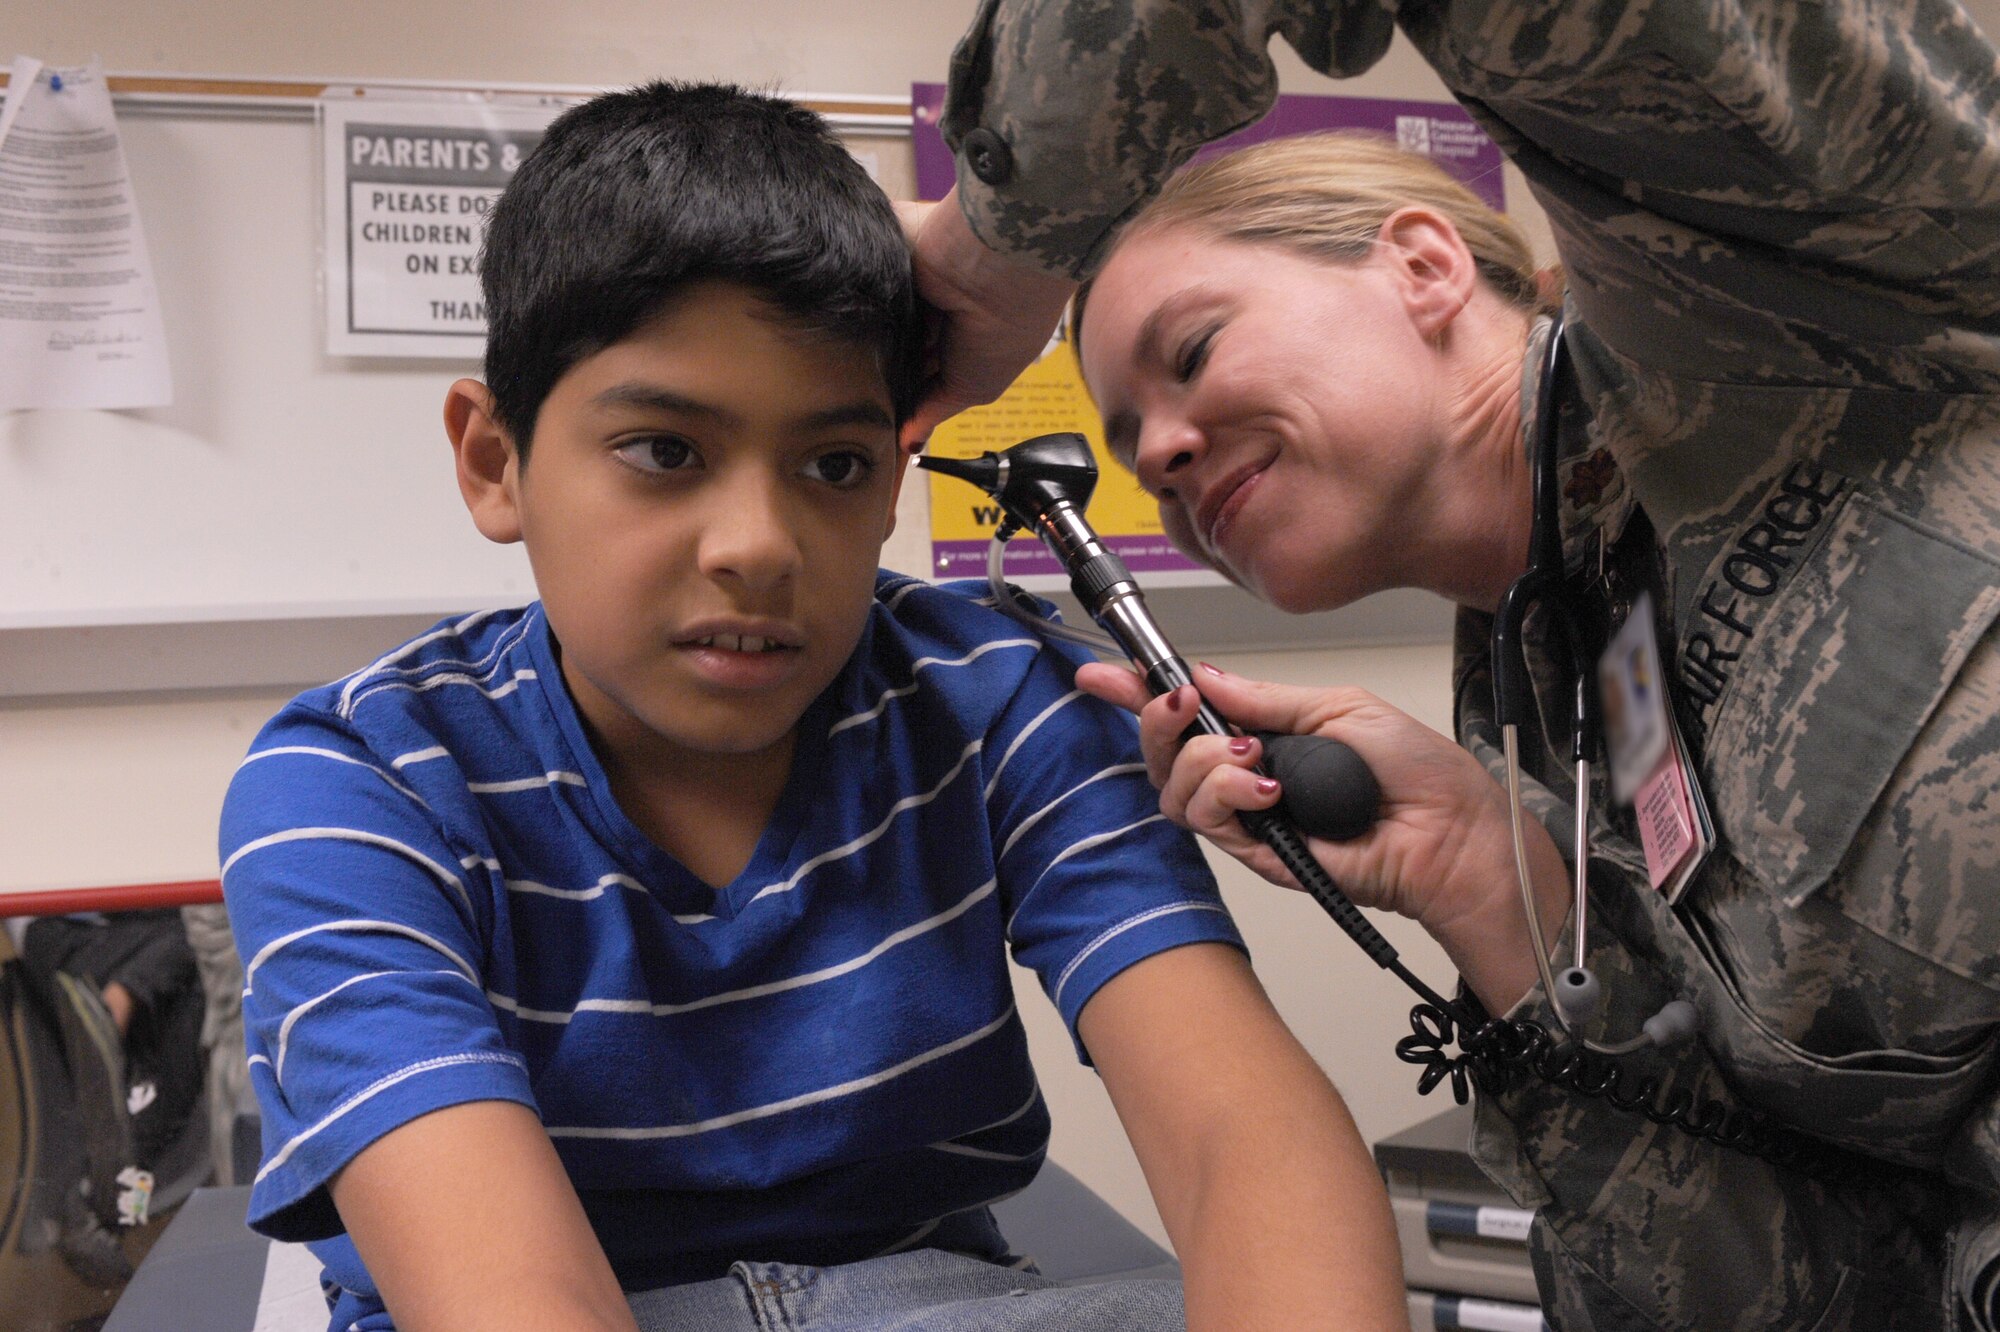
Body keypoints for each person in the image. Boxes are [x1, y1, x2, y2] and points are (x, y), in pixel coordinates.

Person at [218, 82, 1407, 1332]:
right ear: (493, 459)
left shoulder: (996, 698)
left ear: (894, 477)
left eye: (833, 466)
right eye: (664, 452)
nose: (756, 546)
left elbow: (1242, 1138)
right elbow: (510, 1302)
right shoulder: (357, 779)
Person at [899, 2, 2000, 1329]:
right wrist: (1488, 880)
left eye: (1192, 355)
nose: (1168, 458)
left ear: (1421, 266)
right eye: (1138, 457)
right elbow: (1788, 1283)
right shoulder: (1554, 722)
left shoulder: (1781, 317)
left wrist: (986, 257)